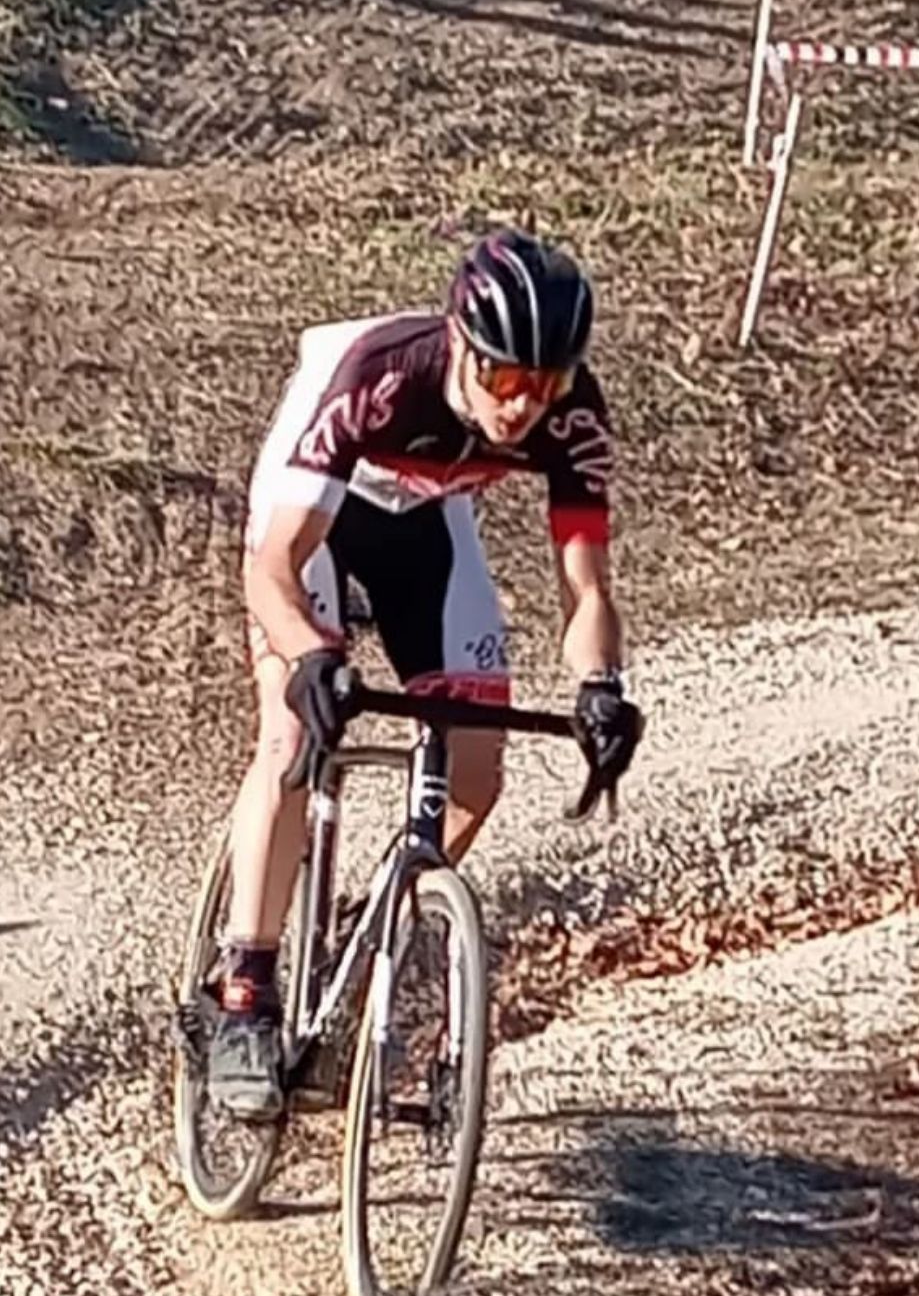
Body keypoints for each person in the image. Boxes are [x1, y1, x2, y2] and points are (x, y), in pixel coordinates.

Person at [209, 227, 644, 1118]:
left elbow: (587, 585)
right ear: (460, 344)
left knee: (477, 774)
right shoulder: (381, 377)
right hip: (312, 521)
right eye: (505, 379)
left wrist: (601, 685)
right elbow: (273, 567)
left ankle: (366, 928)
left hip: (427, 523)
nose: (523, 406)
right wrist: (311, 656)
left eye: (547, 383)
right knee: (290, 739)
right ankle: (244, 992)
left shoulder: (573, 415)